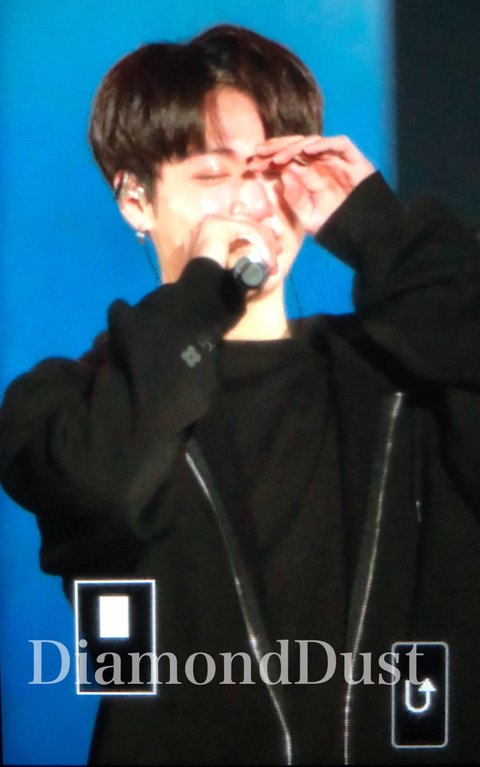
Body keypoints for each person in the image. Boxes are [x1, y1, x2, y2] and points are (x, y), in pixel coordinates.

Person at [1, 23, 480, 766]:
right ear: (135, 199)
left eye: (272, 168)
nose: (253, 202)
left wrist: (380, 231)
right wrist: (205, 295)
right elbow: (104, 488)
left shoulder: (402, 383)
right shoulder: (71, 404)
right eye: (215, 175)